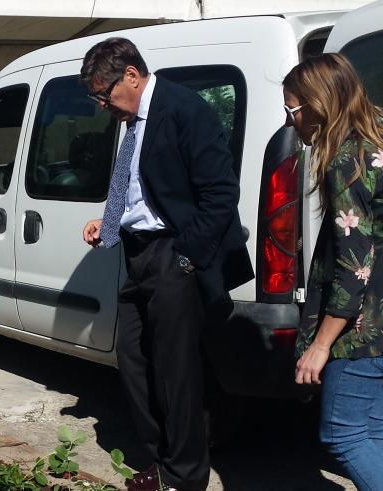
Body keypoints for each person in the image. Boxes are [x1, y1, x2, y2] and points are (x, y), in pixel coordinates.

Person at [78, 38, 253, 491]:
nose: (102, 105)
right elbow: (146, 189)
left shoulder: (184, 110)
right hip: (138, 253)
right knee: (134, 360)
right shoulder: (133, 118)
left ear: (131, 75)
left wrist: (184, 257)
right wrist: (110, 219)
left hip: (174, 252)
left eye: (104, 94)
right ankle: (162, 461)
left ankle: (184, 477)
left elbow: (220, 195)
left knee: (176, 372)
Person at [288, 53, 383, 491]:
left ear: (318, 104)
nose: (290, 121)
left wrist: (320, 345)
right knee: (373, 425)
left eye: (293, 109)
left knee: (342, 434)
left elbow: (354, 266)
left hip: (367, 326)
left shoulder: (348, 158)